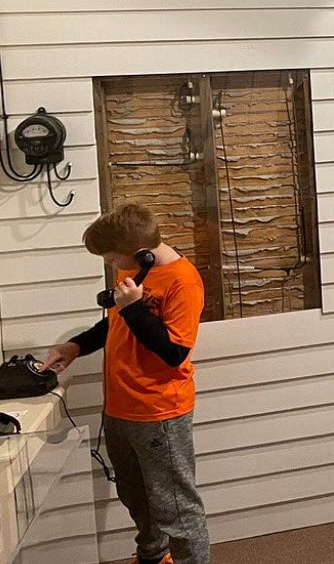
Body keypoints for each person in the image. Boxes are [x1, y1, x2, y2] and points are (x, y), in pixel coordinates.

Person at [45, 204, 209, 564]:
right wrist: (75, 347)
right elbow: (115, 323)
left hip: (158, 412)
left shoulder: (183, 281)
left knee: (175, 507)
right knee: (135, 495)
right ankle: (153, 556)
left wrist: (135, 308)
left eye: (111, 259)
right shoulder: (135, 271)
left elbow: (174, 353)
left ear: (142, 253)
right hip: (120, 408)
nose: (111, 265)